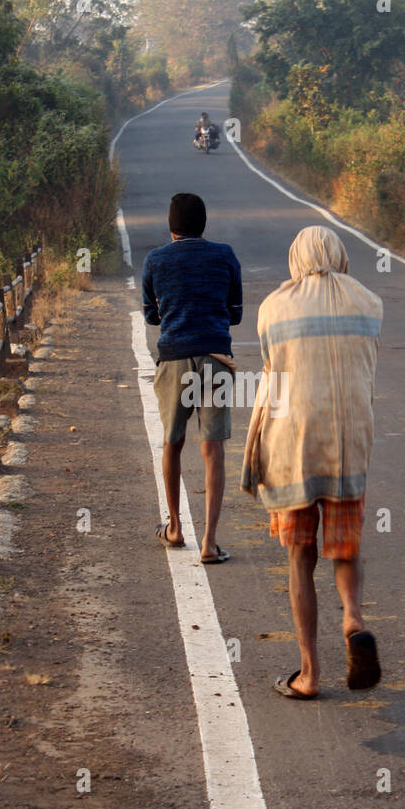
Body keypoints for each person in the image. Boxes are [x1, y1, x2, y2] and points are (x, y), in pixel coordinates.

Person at [241, 225, 383, 697]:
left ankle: (309, 675)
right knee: (344, 547)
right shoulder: (368, 302)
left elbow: (271, 372)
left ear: (295, 258)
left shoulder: (273, 308)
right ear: (340, 255)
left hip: (292, 446)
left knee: (300, 557)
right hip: (348, 443)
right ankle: (353, 615)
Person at [142, 192, 242, 564]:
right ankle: (210, 543)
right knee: (212, 449)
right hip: (215, 357)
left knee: (173, 442)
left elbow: (152, 316)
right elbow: (235, 313)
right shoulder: (225, 255)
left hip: (174, 360)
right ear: (203, 224)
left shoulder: (155, 260)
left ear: (171, 228)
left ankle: (175, 527)